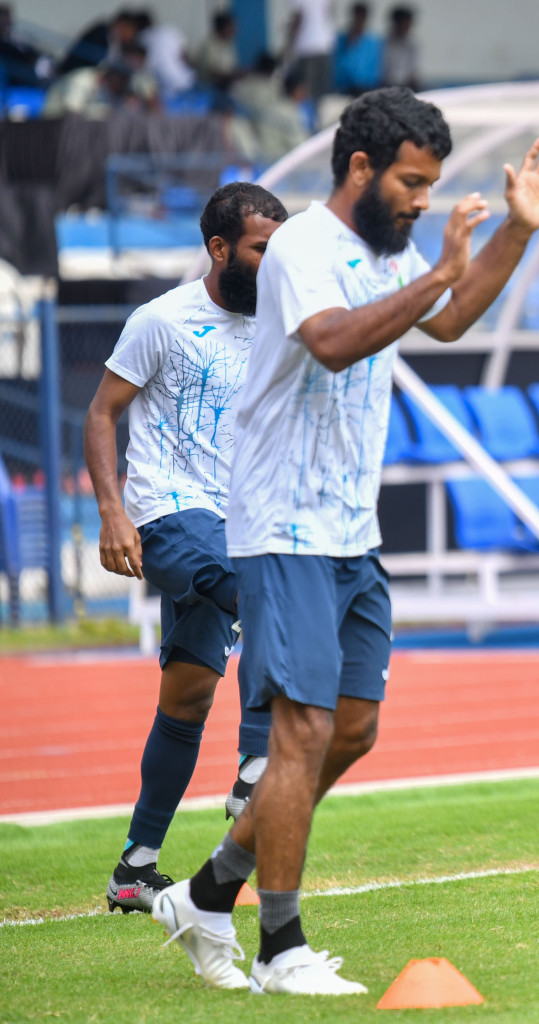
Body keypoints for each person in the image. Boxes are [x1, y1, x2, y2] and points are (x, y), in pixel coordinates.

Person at [153, 87, 539, 995]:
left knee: (354, 730)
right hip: (282, 524)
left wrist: (518, 231)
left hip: (351, 526)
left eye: (430, 186)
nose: (423, 201)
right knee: (301, 730)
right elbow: (335, 343)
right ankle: (279, 949)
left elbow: (452, 319)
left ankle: (207, 890)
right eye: (413, 184)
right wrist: (435, 273)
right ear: (360, 169)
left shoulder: (390, 248)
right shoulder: (304, 243)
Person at [83, 183, 289, 914]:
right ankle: (253, 776)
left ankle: (134, 869)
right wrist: (113, 513)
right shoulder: (162, 321)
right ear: (220, 248)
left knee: (189, 696)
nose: (275, 261)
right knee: (269, 596)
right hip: (166, 515)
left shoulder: (282, 323)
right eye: (264, 248)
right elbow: (103, 413)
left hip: (236, 525)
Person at [286, 0, 333, 102]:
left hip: (307, 47)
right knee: (321, 91)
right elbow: (327, 12)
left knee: (306, 91)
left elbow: (298, 18)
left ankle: (309, 116)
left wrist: (288, 45)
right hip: (324, 45)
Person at [332, 1, 382, 95]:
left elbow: (374, 73)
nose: (359, 20)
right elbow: (338, 68)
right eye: (357, 17)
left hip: (365, 90)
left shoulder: (372, 43)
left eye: (362, 17)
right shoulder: (340, 40)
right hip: (343, 90)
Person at [190, 12, 240, 93]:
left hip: (225, 90)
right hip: (209, 90)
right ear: (222, 28)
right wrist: (233, 76)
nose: (235, 31)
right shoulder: (209, 45)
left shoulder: (228, 46)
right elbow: (213, 72)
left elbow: (231, 68)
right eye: (231, 27)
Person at [0, 5, 48, 87]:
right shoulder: (7, 48)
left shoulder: (13, 42)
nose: (8, 26)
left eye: (9, 24)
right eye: (6, 24)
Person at [381, 4, 418, 91]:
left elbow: (413, 71)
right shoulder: (384, 43)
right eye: (404, 23)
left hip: (406, 87)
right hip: (386, 87)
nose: (407, 26)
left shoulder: (412, 45)